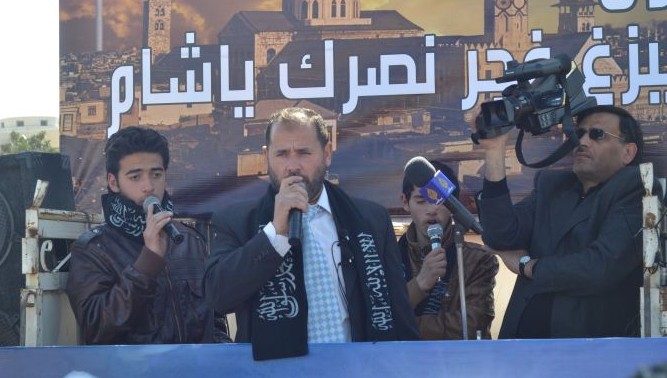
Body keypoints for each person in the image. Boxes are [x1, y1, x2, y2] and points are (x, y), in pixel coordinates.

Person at [204, 107, 419, 359]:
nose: (292, 166)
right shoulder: (237, 221)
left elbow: (399, 312)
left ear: (327, 154)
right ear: (266, 157)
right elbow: (218, 297)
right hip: (277, 371)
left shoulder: (371, 220)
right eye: (281, 154)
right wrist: (275, 234)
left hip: (360, 366)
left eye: (304, 153)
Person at [477, 105, 645, 338]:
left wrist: (528, 266)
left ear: (628, 152)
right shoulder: (551, 185)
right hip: (520, 345)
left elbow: (599, 268)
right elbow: (500, 235)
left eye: (597, 134)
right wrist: (494, 150)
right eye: (579, 133)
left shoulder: (637, 189)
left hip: (589, 349)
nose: (582, 141)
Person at [66, 126, 229, 344]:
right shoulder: (93, 249)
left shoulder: (189, 240)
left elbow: (214, 320)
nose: (149, 186)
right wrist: (148, 262)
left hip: (196, 363)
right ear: (113, 182)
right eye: (135, 177)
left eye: (156, 174)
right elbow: (95, 328)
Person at [398, 159, 498, 340]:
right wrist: (420, 284)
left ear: (454, 204)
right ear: (405, 202)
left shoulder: (478, 259)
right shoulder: (386, 256)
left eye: (440, 200)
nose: (432, 209)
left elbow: (472, 325)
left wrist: (402, 328)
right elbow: (378, 318)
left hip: (459, 357)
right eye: (421, 200)